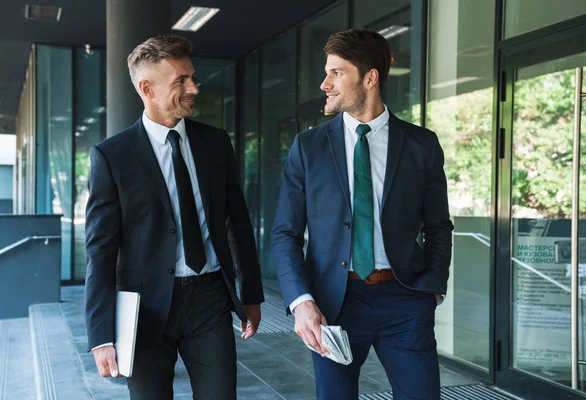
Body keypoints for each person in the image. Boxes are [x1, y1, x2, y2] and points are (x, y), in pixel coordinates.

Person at [271, 28, 453, 400]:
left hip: (405, 300)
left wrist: (431, 289)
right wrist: (301, 301)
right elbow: (285, 233)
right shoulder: (309, 147)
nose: (325, 83)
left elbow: (438, 225)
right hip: (335, 304)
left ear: (369, 77)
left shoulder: (421, 144)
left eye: (336, 72)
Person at [84, 34, 264, 400]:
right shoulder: (112, 156)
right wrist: (101, 335)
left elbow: (238, 224)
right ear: (147, 88)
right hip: (145, 310)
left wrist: (251, 295)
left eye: (191, 76)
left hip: (210, 298)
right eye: (180, 81)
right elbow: (100, 250)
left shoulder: (215, 143)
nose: (193, 87)